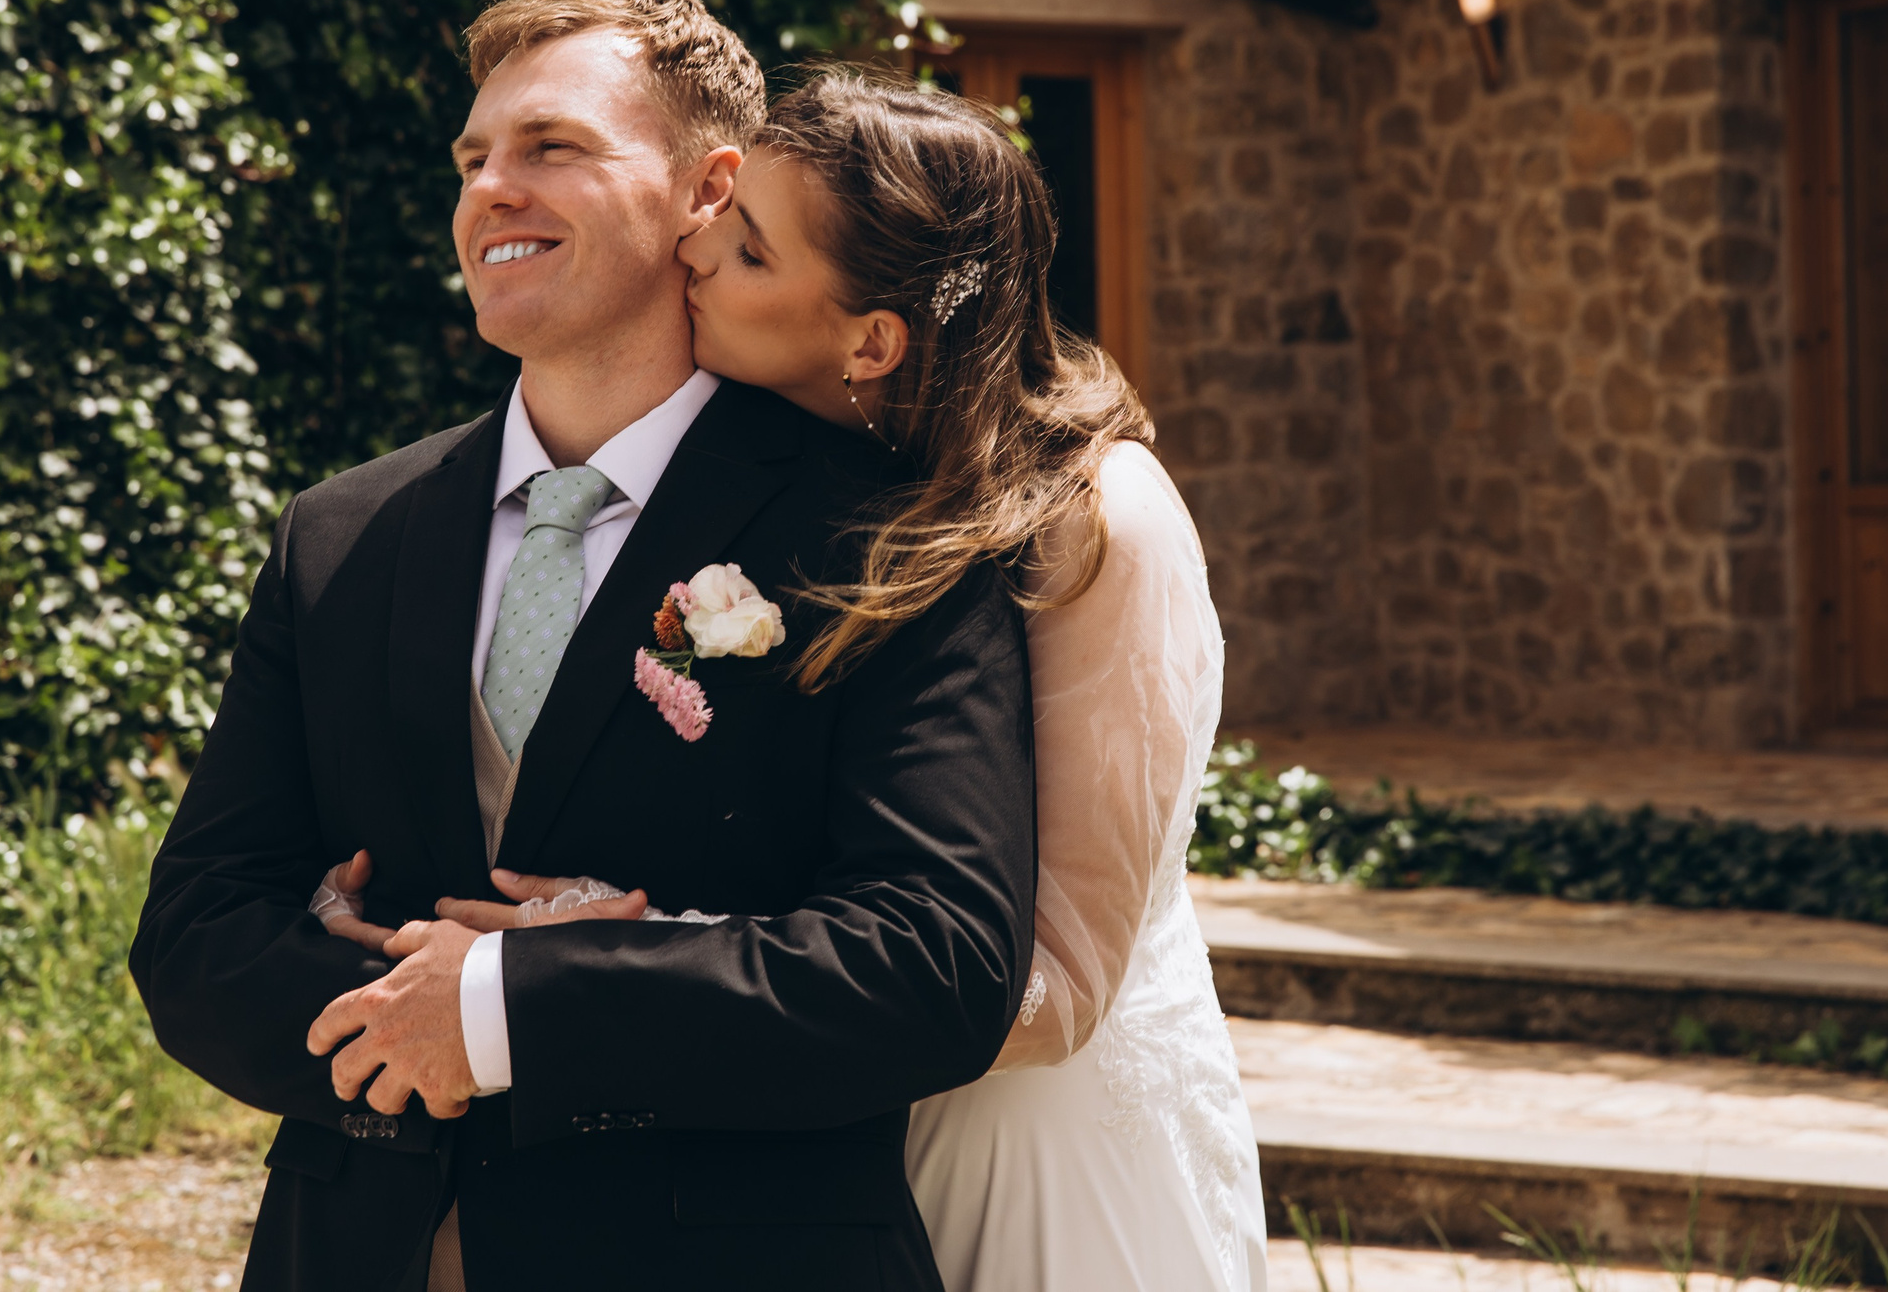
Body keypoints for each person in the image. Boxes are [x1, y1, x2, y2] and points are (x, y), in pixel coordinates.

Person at [130, 0, 1039, 1292]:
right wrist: (397, 1030)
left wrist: (501, 1014)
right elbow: (197, 929)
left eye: (551, 146)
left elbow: (933, 959)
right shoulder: (341, 531)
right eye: (474, 157)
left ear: (705, 192)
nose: (490, 186)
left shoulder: (885, 533)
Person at [340, 66, 1266, 1292]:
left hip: (1027, 1144)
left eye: (750, 253)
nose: (695, 258)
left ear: (871, 340)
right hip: (808, 1124)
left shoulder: (1099, 523)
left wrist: (631, 947)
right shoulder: (818, 486)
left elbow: (1051, 991)